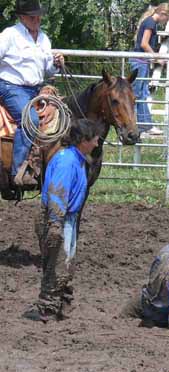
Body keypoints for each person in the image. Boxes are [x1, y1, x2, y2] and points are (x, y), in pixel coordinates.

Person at [23, 119, 100, 322]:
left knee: (63, 261)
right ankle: (48, 307)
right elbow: (57, 193)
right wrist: (55, 223)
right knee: (57, 262)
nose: (97, 142)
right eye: (94, 138)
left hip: (66, 218)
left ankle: (59, 302)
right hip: (60, 218)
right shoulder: (68, 161)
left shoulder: (75, 158)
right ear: (83, 140)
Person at [0, 0, 64, 189]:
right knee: (30, 119)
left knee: (63, 114)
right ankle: (18, 170)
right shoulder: (9, 35)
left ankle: (47, 166)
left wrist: (56, 63)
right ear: (21, 17)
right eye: (32, 16)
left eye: (38, 15)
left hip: (36, 88)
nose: (37, 19)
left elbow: (48, 70)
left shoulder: (43, 38)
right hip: (11, 86)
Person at [130, 3, 169, 136]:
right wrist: (157, 58)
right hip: (140, 61)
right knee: (139, 94)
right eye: (167, 18)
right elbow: (144, 44)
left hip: (141, 61)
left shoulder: (149, 22)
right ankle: (143, 126)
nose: (166, 21)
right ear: (162, 14)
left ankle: (144, 125)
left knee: (141, 93)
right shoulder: (150, 23)